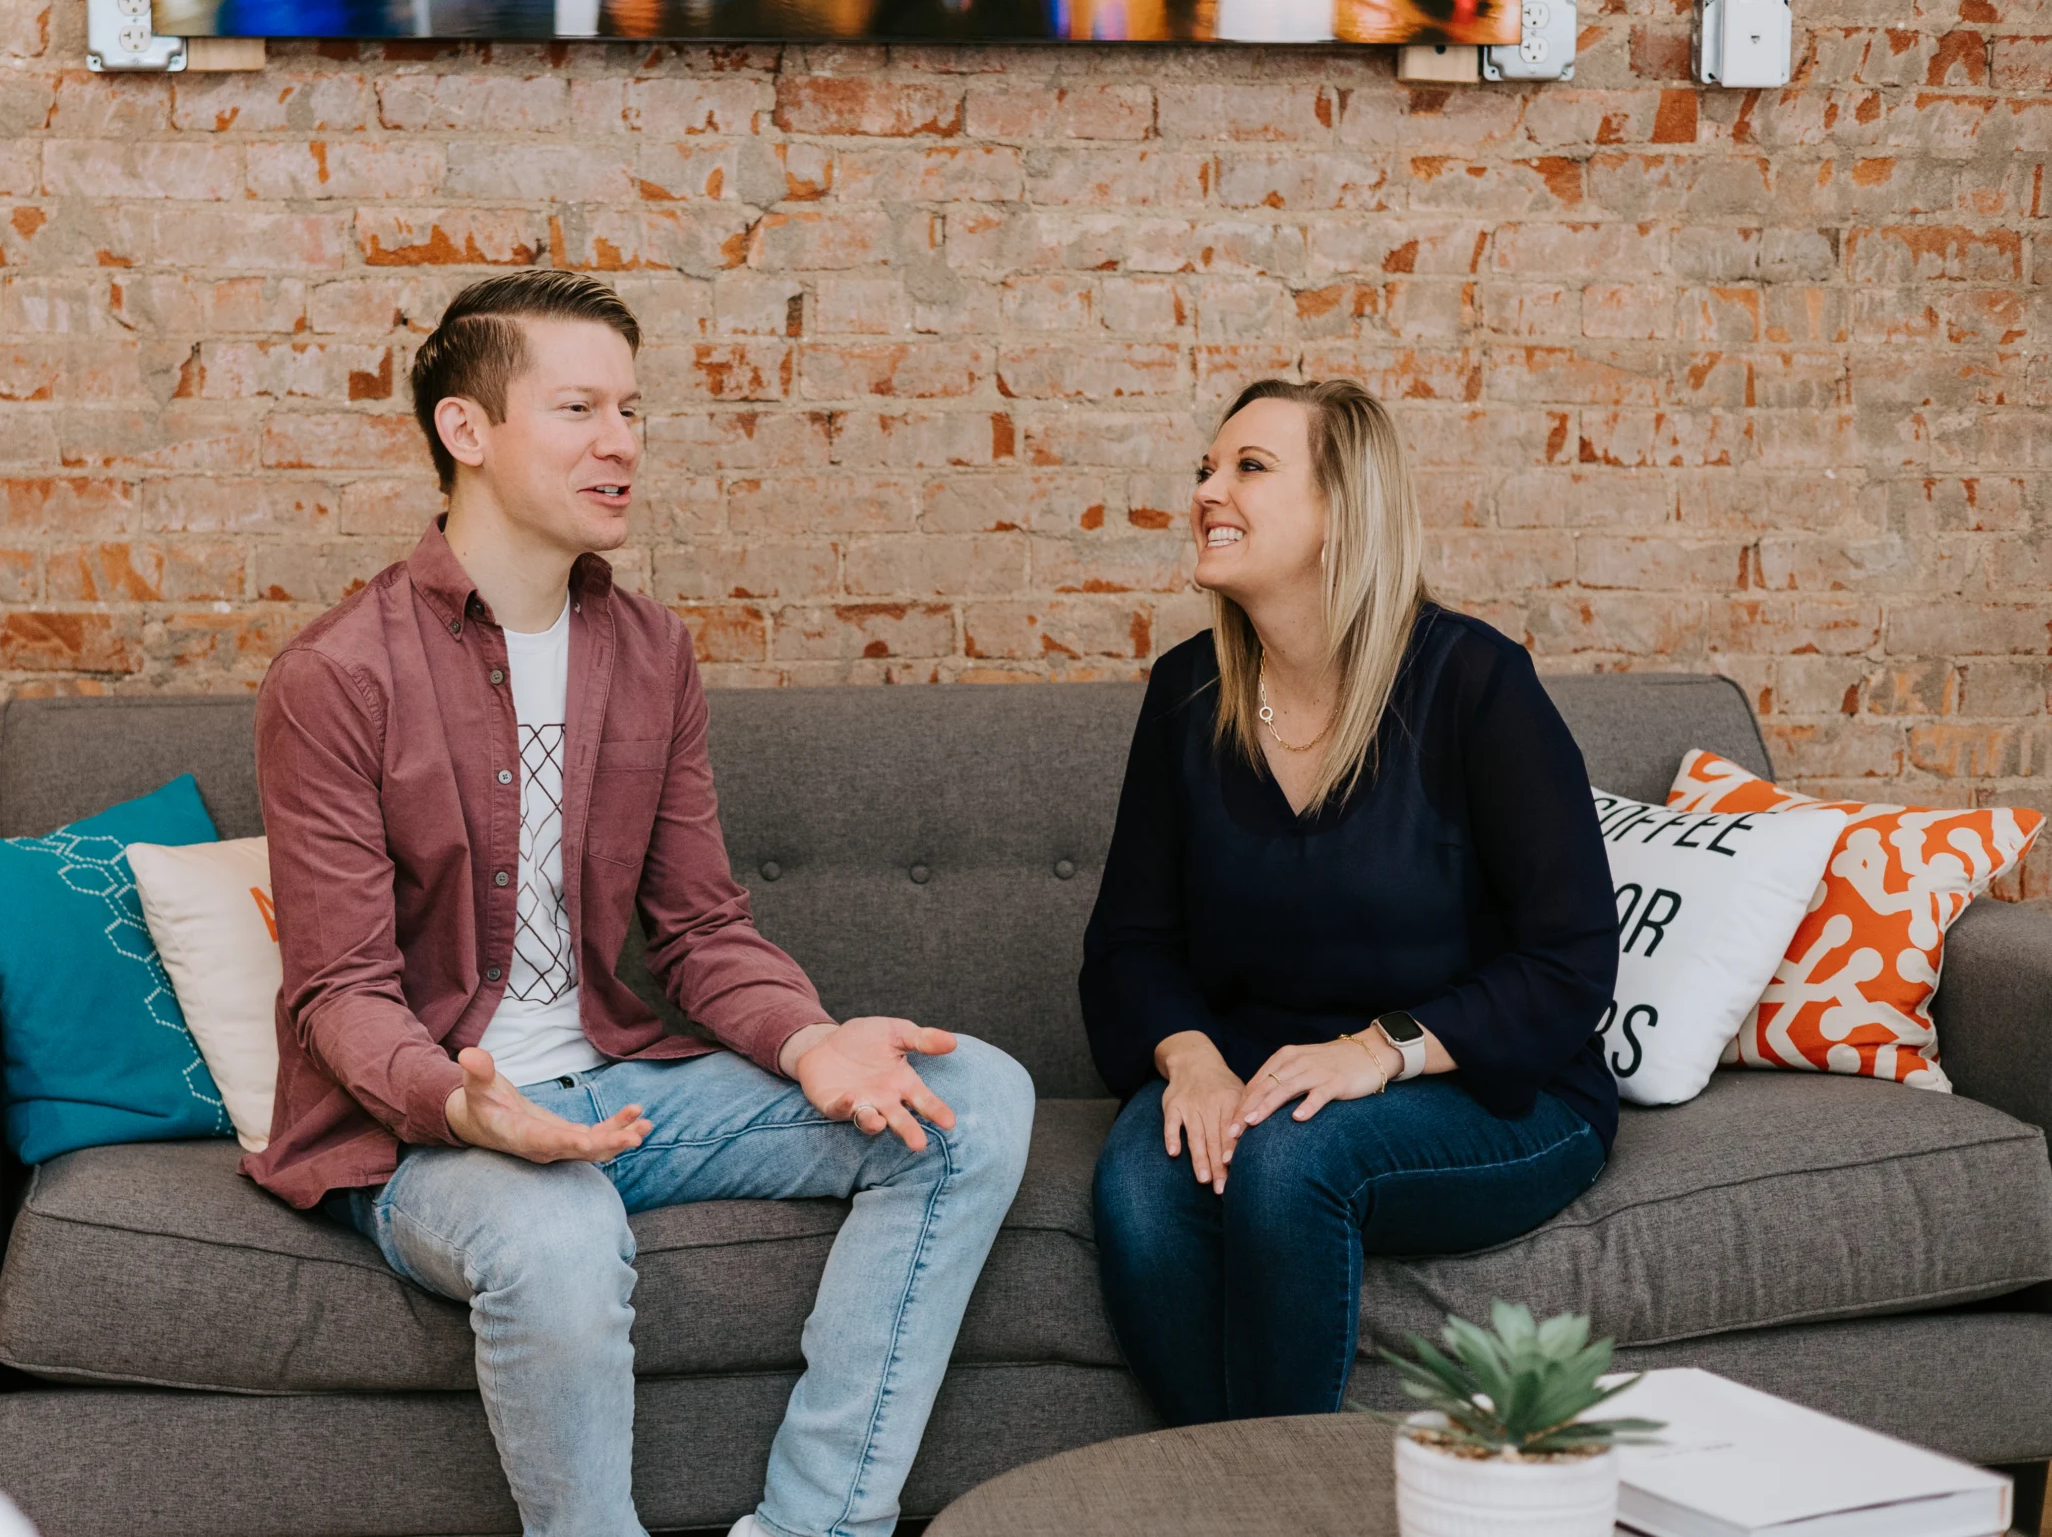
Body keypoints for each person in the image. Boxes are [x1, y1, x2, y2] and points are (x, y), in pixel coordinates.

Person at [244, 270, 1034, 1537]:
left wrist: (809, 1037)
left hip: (620, 1086)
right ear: (468, 430)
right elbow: (340, 990)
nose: (621, 440)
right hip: (430, 1126)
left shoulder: (650, 651)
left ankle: (813, 1527)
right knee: (553, 1230)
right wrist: (469, 1105)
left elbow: (700, 924)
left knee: (975, 1098)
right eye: (577, 407)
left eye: (631, 408)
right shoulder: (337, 676)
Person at [1079, 378, 1618, 1425]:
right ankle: (1242, 1499)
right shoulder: (1188, 694)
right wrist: (1188, 1057)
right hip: (1258, 1070)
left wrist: (1378, 1049)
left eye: (1248, 466)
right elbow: (1129, 943)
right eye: (1204, 467)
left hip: (1488, 1089)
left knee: (1289, 1157)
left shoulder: (1475, 683)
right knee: (1142, 1184)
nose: (1205, 491)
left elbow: (1568, 959)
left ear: (1341, 510)